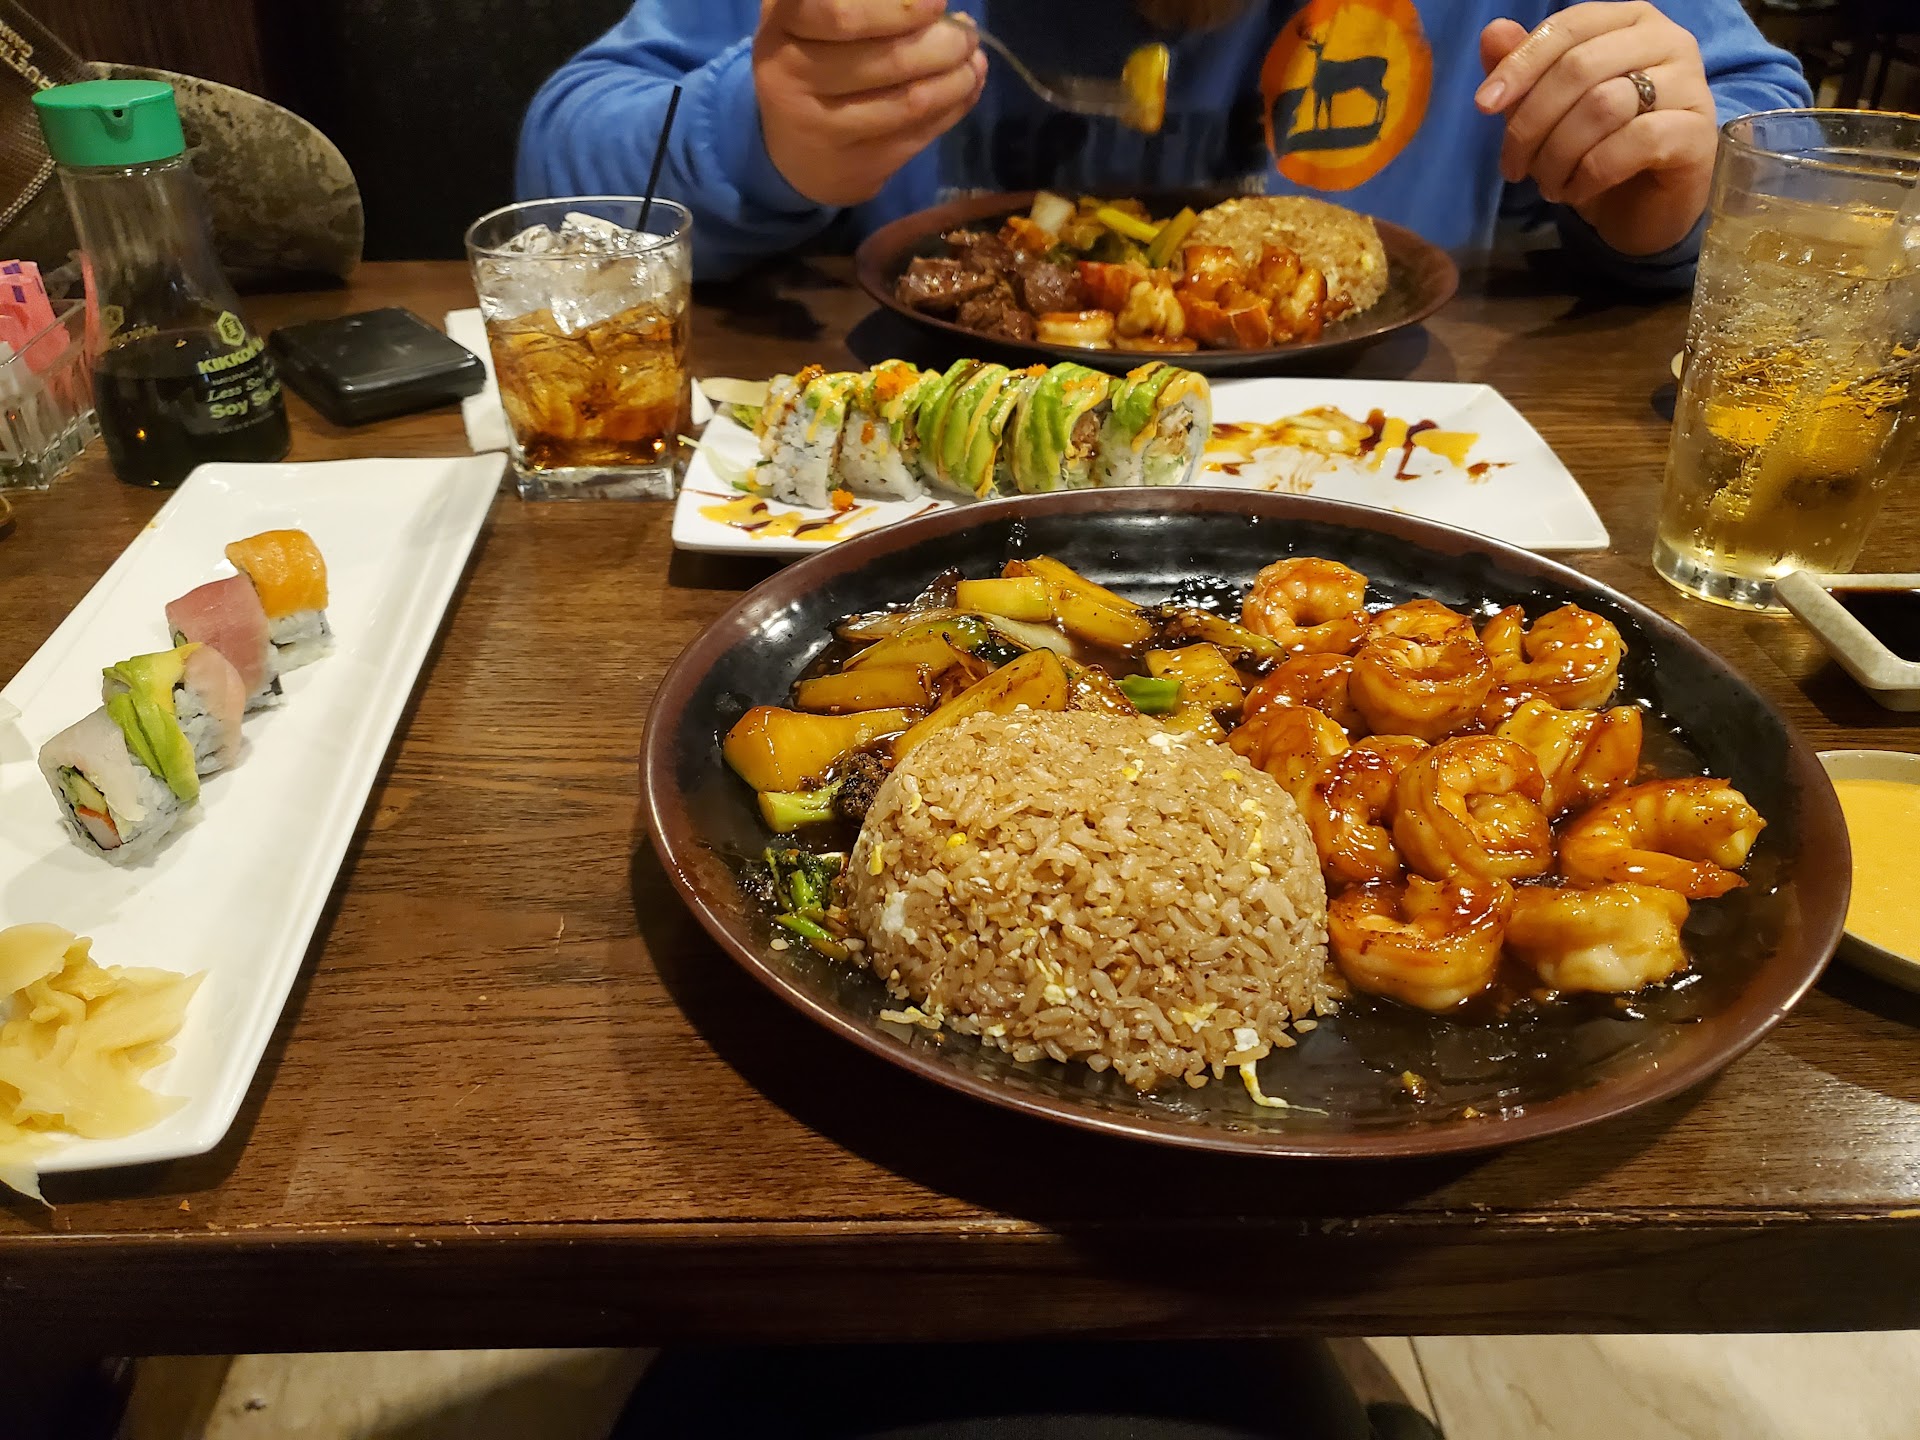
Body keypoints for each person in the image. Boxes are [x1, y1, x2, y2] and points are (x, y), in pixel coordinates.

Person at [518, 0, 1807, 285]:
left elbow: (1788, 148)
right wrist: (758, 134)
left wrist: (1678, 202)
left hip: (1409, 474)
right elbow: (557, 171)